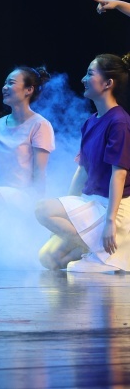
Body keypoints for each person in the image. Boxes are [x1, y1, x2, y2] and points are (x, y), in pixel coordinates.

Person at [36, 53, 130, 273]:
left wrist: (109, 222)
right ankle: (98, 252)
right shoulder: (90, 122)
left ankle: (102, 250)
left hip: (113, 207)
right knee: (48, 258)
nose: (83, 79)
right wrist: (67, 213)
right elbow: (82, 171)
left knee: (42, 209)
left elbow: (119, 174)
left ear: (107, 83)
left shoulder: (119, 122)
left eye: (90, 74)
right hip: (93, 204)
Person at [0, 66, 55, 209]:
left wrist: (37, 207)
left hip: (26, 196)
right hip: (0, 194)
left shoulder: (40, 124)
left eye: (11, 83)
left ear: (28, 90)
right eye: (5, 83)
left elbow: (40, 172)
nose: (4, 87)